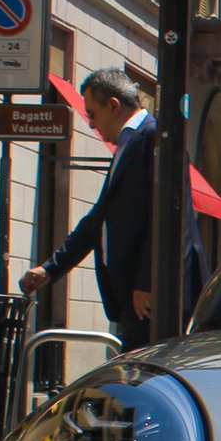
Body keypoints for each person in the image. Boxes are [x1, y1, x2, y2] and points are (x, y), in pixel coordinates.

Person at [20, 68, 160, 348]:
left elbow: (168, 216)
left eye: (92, 114)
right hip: (132, 297)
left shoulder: (152, 138)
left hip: (147, 298)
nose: (92, 124)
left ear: (113, 106)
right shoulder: (129, 143)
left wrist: (148, 282)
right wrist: (50, 269)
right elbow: (100, 218)